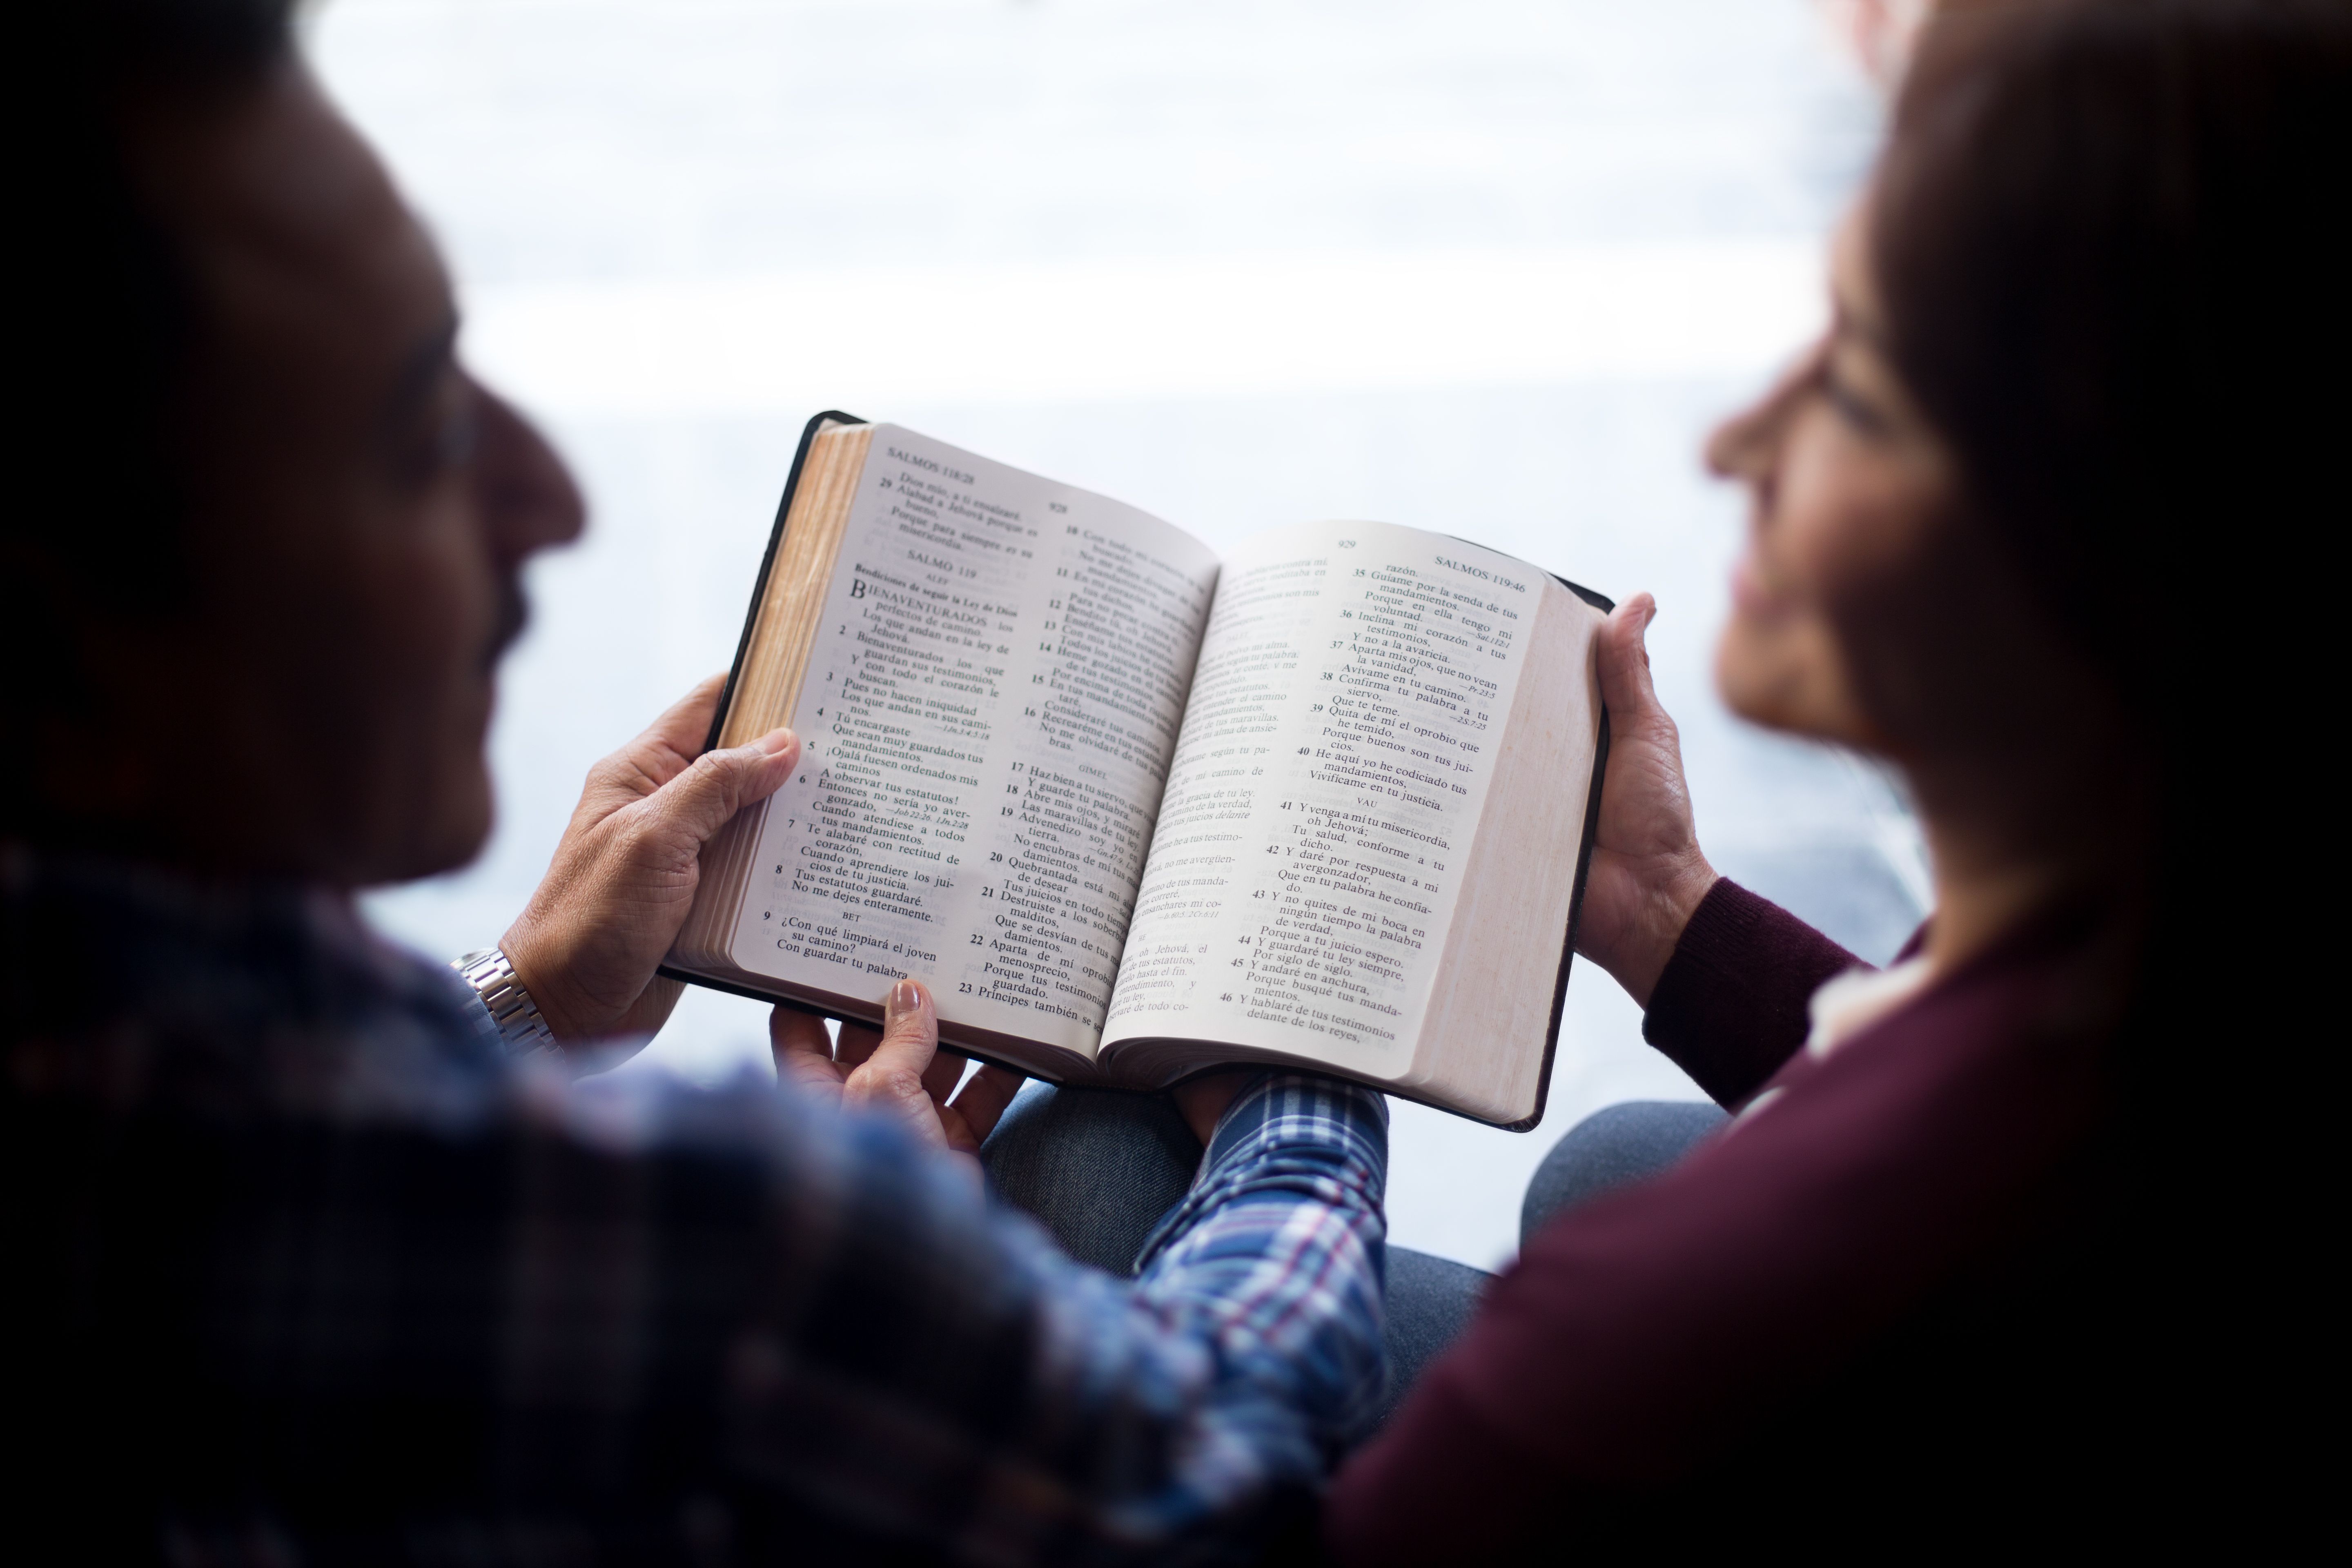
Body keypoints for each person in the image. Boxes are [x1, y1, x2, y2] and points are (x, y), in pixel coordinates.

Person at [1, 2, 1389, 1559]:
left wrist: (527, 998)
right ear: (68, 673)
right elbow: (1208, 1460)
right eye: (420, 433)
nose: (554, 501)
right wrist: (1299, 1085)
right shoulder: (697, 1244)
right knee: (1106, 1161)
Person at [1325, 0, 2343, 1555]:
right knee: (1611, 1159)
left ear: (2122, 546)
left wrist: (1272, 1150)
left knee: (1095, 1182)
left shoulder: (1656, 1334)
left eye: (1861, 390)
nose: (1738, 440)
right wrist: (1667, 912)